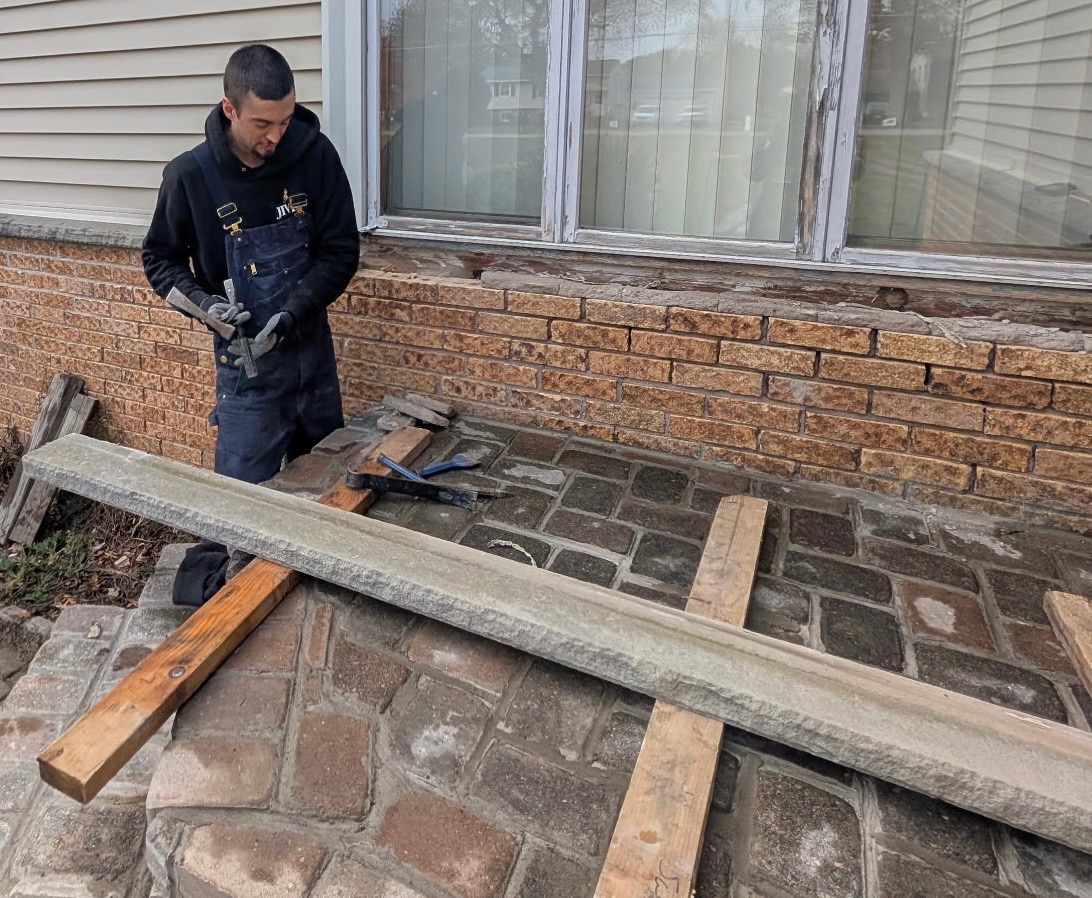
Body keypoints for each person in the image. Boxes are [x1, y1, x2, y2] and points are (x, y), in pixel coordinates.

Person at [142, 44, 359, 604]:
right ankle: (210, 608)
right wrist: (204, 306)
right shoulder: (190, 176)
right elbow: (159, 261)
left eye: (286, 120)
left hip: (311, 355)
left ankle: (316, 598)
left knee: (328, 494)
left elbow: (340, 251)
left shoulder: (315, 156)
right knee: (235, 508)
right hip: (245, 372)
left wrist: (291, 314)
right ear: (229, 109)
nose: (276, 136)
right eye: (263, 123)